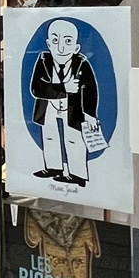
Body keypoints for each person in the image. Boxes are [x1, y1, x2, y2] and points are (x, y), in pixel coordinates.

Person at [30, 18, 103, 185]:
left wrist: (90, 113)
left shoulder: (82, 64)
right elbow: (36, 88)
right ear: (48, 44)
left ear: (76, 47)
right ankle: (53, 167)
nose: (61, 48)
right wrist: (64, 87)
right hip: (49, 106)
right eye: (55, 41)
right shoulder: (43, 61)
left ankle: (77, 174)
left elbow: (90, 91)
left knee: (74, 138)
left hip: (73, 108)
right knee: (49, 136)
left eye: (68, 41)